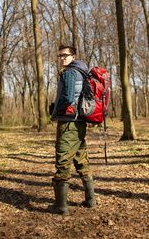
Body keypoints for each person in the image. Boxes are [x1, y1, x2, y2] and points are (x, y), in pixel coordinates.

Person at [48, 45, 95, 215]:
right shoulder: (83, 72)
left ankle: (61, 206)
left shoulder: (69, 72)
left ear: (73, 56)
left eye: (65, 55)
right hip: (79, 123)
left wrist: (55, 109)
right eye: (60, 56)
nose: (62, 58)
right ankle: (91, 200)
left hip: (69, 124)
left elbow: (68, 98)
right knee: (81, 159)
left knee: (63, 161)